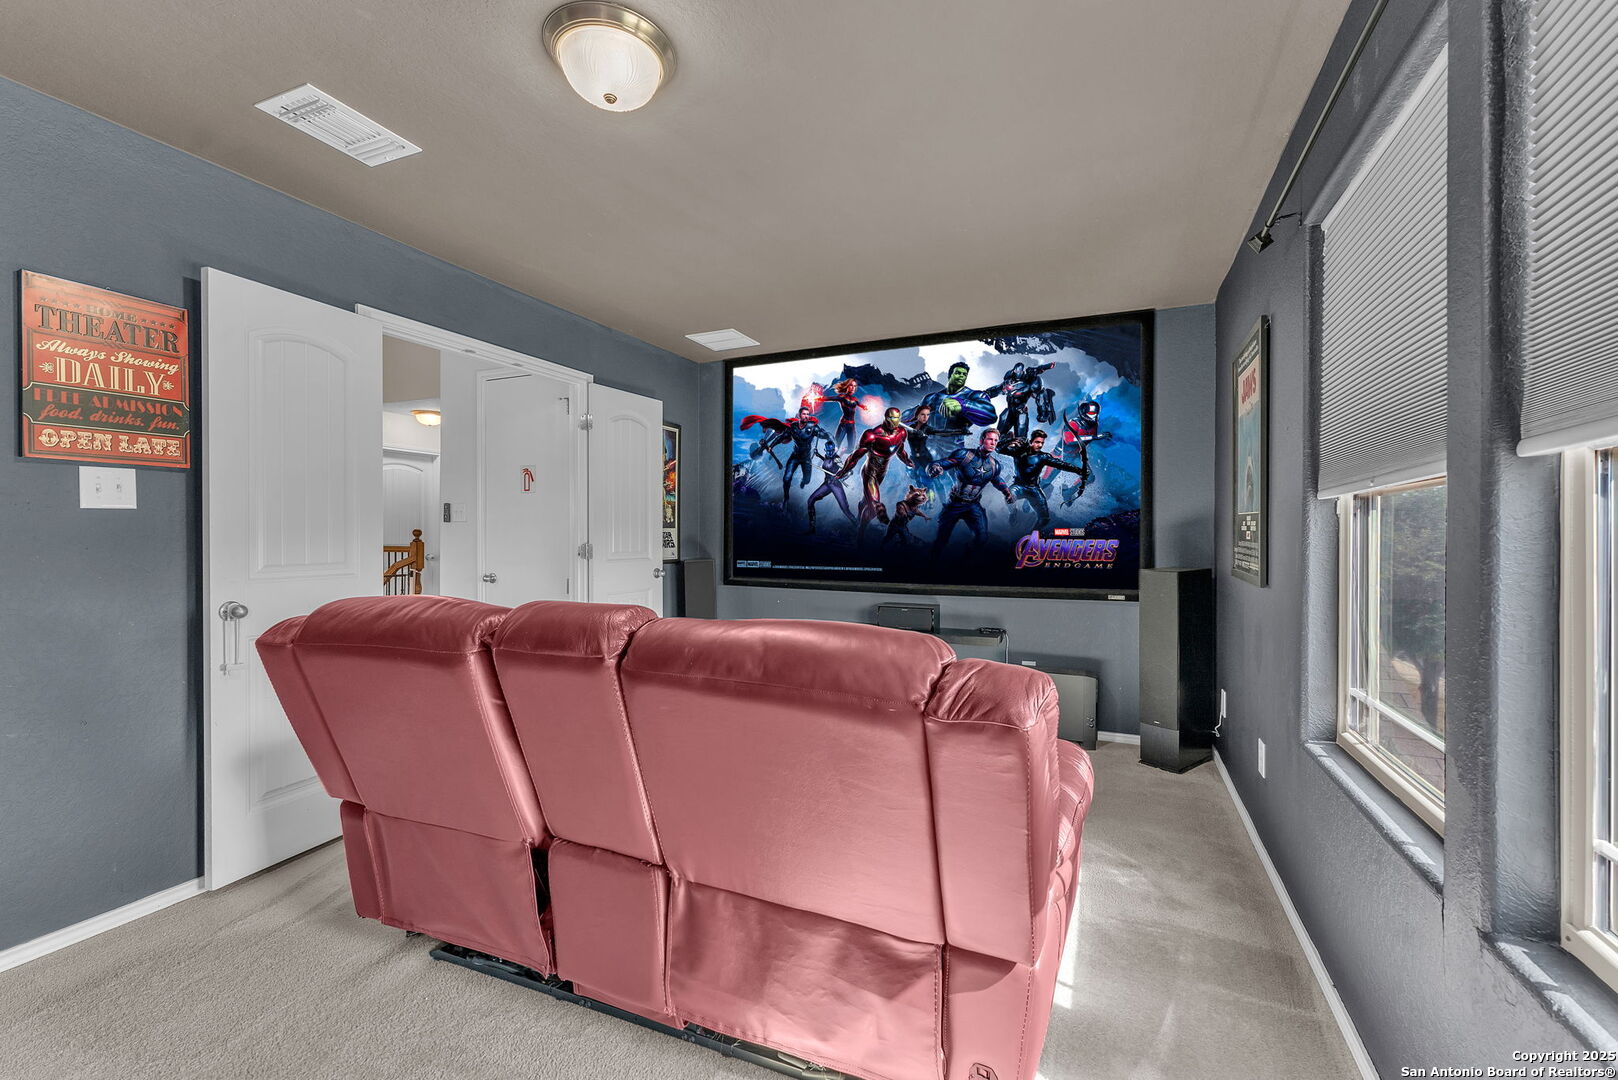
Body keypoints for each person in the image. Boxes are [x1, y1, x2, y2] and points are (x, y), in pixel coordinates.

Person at [928, 427, 1015, 558]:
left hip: (973, 506)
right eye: (990, 439)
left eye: (995, 440)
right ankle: (931, 562)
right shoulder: (964, 455)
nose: (993, 443)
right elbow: (941, 463)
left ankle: (965, 560)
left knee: (982, 538)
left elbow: (997, 480)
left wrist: (1007, 492)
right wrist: (935, 468)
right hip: (954, 504)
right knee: (941, 540)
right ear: (981, 440)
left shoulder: (994, 465)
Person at [836, 406, 913, 545]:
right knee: (874, 507)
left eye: (898, 418)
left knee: (866, 501)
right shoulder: (872, 435)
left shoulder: (902, 432)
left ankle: (858, 518)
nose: (895, 421)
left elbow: (900, 450)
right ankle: (859, 536)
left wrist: (907, 460)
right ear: (886, 418)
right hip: (870, 473)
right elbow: (855, 456)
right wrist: (843, 471)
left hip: (881, 474)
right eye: (892, 418)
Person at [740, 405, 833, 505]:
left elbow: (823, 435)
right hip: (789, 458)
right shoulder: (791, 428)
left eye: (807, 414)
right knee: (785, 479)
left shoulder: (810, 428)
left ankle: (798, 486)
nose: (805, 417)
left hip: (800, 459)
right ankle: (784, 498)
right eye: (803, 414)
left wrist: (830, 441)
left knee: (803, 480)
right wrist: (769, 446)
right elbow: (779, 437)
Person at [999, 429, 1087, 531]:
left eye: (1042, 443)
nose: (1040, 445)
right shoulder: (1018, 451)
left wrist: (1079, 470)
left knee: (1044, 519)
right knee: (1009, 497)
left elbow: (1061, 464)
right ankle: (1013, 513)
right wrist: (1011, 440)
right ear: (1031, 441)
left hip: (1034, 489)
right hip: (1019, 486)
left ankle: (1031, 535)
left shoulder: (1043, 457)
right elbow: (999, 449)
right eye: (1037, 442)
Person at [803, 441, 855, 532]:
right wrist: (818, 455)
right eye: (828, 451)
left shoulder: (836, 459)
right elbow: (827, 463)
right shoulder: (827, 456)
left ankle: (858, 526)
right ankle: (812, 528)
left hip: (836, 485)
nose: (830, 453)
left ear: (834, 450)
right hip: (827, 484)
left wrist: (842, 478)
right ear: (825, 450)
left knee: (845, 510)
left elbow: (849, 471)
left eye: (832, 451)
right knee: (810, 500)